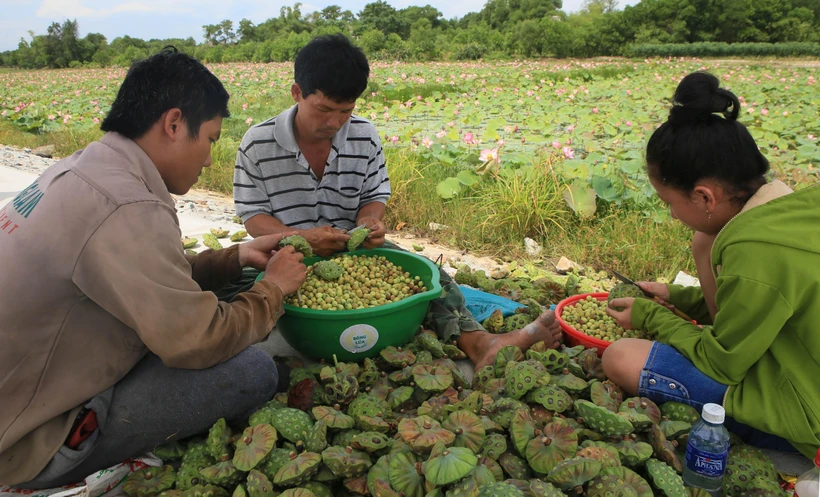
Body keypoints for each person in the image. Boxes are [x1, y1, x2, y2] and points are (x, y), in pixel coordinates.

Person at [0, 49, 307, 488]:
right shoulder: (127, 205)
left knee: (231, 293)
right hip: (29, 440)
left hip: (19, 391)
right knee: (253, 370)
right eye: (212, 140)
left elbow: (148, 275)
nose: (207, 160)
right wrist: (273, 289)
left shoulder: (86, 169)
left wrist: (235, 257)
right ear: (175, 123)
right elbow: (195, 341)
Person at [233, 33, 561, 369]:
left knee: (431, 279)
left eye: (345, 111)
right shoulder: (257, 143)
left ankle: (479, 344)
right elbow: (254, 217)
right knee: (228, 289)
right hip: (285, 255)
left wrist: (368, 223)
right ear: (297, 93)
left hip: (356, 252)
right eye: (323, 110)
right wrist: (302, 240)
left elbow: (373, 197)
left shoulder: (364, 135)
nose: (333, 122)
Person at [602, 71, 820, 458]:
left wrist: (653, 316)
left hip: (807, 414)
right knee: (704, 243)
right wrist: (678, 296)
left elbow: (723, 362)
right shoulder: (796, 210)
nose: (670, 214)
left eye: (669, 202)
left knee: (620, 356)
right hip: (799, 364)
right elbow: (760, 307)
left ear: (704, 197)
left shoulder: (756, 250)